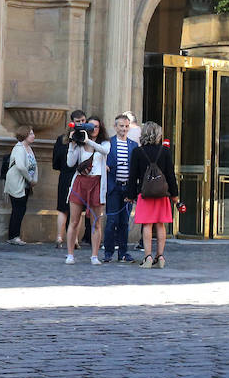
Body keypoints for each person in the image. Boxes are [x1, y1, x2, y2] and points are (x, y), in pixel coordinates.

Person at [125, 121, 180, 268]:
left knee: (147, 225)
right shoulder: (165, 151)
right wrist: (175, 195)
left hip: (145, 193)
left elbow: (133, 176)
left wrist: (130, 195)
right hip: (162, 194)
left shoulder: (137, 152)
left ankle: (148, 257)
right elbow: (170, 175)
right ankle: (160, 256)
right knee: (160, 225)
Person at [65, 116, 107, 265]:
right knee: (74, 220)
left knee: (96, 222)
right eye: (90, 126)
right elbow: (70, 163)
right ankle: (70, 254)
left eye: (96, 126)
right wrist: (72, 143)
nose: (93, 129)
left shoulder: (104, 143)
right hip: (80, 182)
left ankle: (94, 256)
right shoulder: (80, 145)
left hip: (96, 182)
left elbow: (105, 151)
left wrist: (88, 140)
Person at [100, 112, 139, 263]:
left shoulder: (134, 145)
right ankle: (108, 252)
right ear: (115, 127)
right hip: (113, 188)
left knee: (124, 222)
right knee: (111, 221)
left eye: (127, 126)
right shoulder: (108, 144)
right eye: (121, 126)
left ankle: (123, 252)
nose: (124, 129)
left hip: (127, 189)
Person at [52, 108, 87, 247]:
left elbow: (55, 162)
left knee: (66, 210)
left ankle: (61, 237)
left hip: (68, 176)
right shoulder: (83, 138)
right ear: (72, 123)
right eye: (79, 121)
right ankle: (71, 239)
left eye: (83, 121)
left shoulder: (62, 139)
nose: (81, 124)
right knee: (71, 211)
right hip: (75, 176)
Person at [5, 126, 38, 244]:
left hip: (26, 184)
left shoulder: (29, 148)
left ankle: (15, 235)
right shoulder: (19, 148)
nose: (33, 136)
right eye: (31, 134)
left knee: (21, 209)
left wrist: (34, 180)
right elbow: (20, 166)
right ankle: (13, 236)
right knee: (18, 209)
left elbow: (34, 165)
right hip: (17, 183)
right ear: (24, 135)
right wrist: (30, 179)